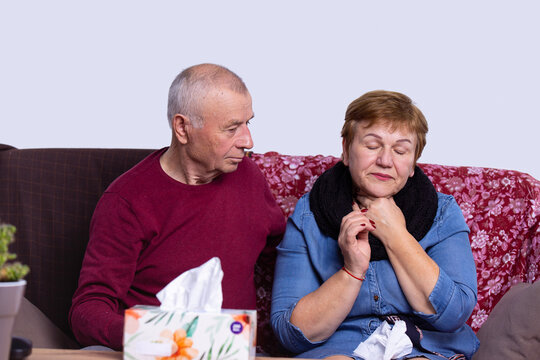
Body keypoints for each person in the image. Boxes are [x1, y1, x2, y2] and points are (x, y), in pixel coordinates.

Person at [69, 63, 286, 350]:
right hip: (153, 349)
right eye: (232, 128)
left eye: (248, 123)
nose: (248, 141)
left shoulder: (249, 178)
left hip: (233, 350)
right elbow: (88, 310)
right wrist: (158, 337)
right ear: (183, 128)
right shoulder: (127, 200)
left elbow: (285, 252)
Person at [271, 90, 479, 360]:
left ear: (413, 162)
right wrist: (352, 270)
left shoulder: (443, 212)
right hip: (342, 348)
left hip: (426, 345)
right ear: (346, 150)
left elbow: (453, 314)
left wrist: (396, 234)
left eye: (401, 150)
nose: (385, 161)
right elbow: (290, 333)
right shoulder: (309, 214)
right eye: (372, 146)